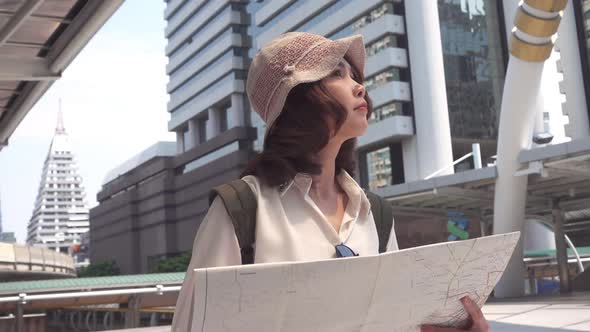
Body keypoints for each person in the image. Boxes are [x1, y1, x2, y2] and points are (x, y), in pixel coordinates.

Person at [172, 32, 489, 332]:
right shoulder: (241, 209)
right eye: (337, 73)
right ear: (297, 99)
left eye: (355, 76)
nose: (358, 87)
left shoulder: (375, 214)